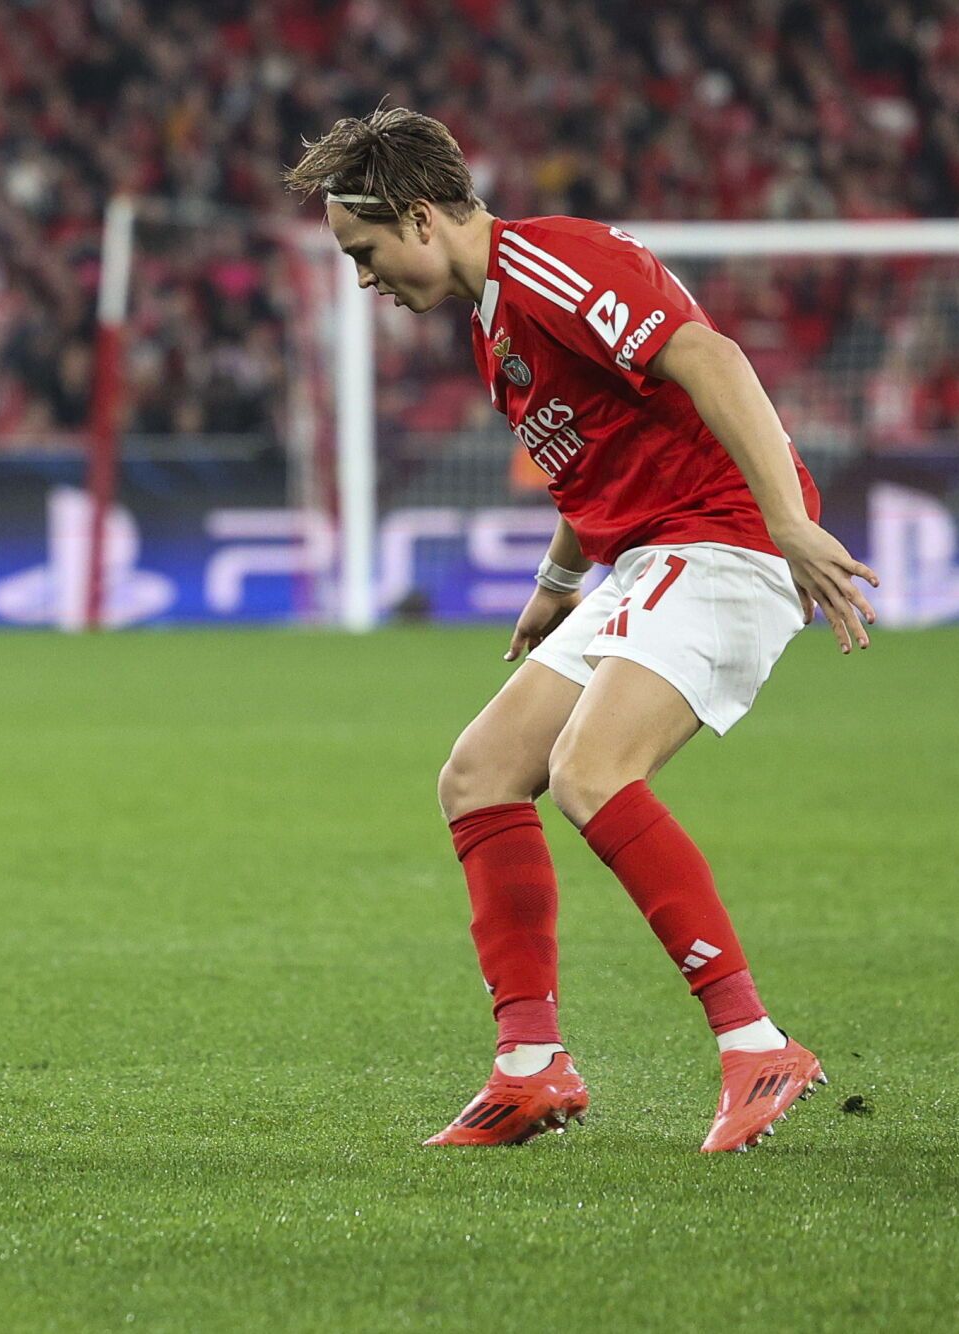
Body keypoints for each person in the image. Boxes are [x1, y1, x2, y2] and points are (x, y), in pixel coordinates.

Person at [285, 108, 879, 1152]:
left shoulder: (549, 263)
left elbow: (709, 355)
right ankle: (528, 1067)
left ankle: (755, 1043)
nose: (362, 277)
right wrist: (559, 577)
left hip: (722, 541)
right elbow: (596, 450)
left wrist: (787, 520)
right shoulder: (493, 316)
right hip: (648, 556)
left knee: (589, 772)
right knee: (475, 774)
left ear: (419, 219)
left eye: (362, 250)